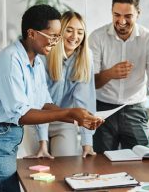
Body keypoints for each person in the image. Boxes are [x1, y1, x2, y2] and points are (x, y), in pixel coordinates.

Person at [0, 5, 104, 192]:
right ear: (32, 33)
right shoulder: (10, 61)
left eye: (58, 36)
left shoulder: (34, 61)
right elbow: (22, 115)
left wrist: (79, 118)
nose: (56, 41)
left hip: (0, 137)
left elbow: (44, 103)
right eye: (52, 36)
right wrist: (70, 112)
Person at [89, 0, 149, 153]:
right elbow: (91, 82)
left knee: (141, 161)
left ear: (138, 13)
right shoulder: (97, 37)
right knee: (102, 164)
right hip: (103, 109)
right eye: (116, 15)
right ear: (111, 11)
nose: (122, 21)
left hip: (135, 109)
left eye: (128, 16)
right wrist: (110, 73)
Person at [23, 11, 97, 158]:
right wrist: (42, 143)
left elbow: (84, 102)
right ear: (59, 32)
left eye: (80, 32)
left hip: (64, 122)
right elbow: (39, 102)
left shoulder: (85, 57)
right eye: (69, 30)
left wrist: (87, 143)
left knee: (66, 165)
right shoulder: (44, 54)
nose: (75, 37)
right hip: (36, 122)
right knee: (39, 168)